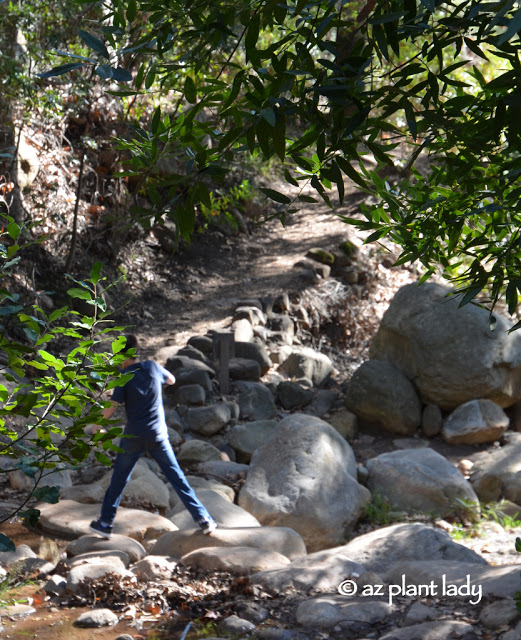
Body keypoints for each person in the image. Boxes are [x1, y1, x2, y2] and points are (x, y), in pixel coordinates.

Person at [89, 334, 217, 539]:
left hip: (133, 436)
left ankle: (105, 523)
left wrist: (97, 426)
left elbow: (112, 406)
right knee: (177, 478)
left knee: (119, 481)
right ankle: (204, 519)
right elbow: (172, 379)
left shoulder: (125, 377)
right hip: (158, 435)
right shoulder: (153, 367)